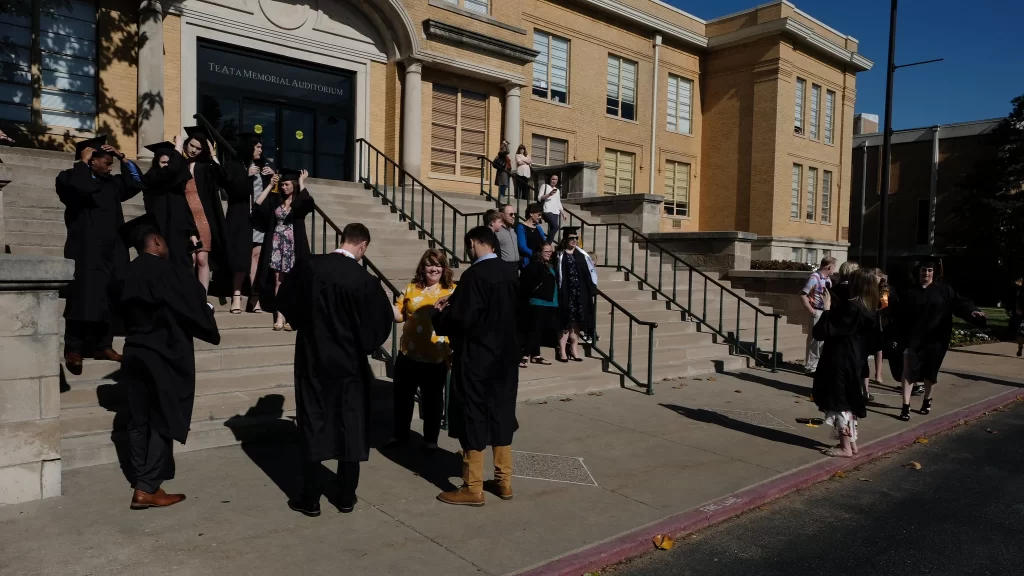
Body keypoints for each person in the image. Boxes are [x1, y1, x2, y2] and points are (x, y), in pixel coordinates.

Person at [276, 223, 394, 517]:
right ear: (363, 246)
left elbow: (287, 302)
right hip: (350, 365)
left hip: (313, 360)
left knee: (314, 422)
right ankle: (345, 497)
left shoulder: (310, 267)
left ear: (343, 239)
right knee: (350, 426)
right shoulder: (365, 282)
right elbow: (377, 328)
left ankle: (310, 499)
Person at [117, 214, 221, 509]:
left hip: (135, 351)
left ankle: (142, 479)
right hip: (163, 354)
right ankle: (147, 488)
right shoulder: (166, 271)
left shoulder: (126, 273)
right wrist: (208, 310)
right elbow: (192, 305)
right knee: (164, 417)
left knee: (138, 419)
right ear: (158, 241)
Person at [432, 226, 520, 506]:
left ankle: (473, 487)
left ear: (473, 242)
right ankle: (504, 481)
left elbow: (464, 320)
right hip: (506, 357)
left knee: (474, 415)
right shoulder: (509, 272)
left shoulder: (474, 275)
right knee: (502, 412)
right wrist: (456, 298)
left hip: (477, 358)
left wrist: (439, 317)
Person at [56, 136, 144, 376]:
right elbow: (81, 188)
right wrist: (82, 164)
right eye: (106, 162)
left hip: (112, 250)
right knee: (81, 298)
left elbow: (137, 182)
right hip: (84, 250)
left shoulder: (112, 183)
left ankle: (103, 346)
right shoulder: (68, 178)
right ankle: (73, 349)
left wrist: (122, 156)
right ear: (90, 160)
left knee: (109, 298)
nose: (110, 166)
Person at [889, 256, 986, 421]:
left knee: (930, 373)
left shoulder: (944, 290)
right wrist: (895, 336)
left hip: (937, 339)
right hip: (913, 339)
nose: (926, 273)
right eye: (923, 270)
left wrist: (972, 311)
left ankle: (927, 400)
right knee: (908, 372)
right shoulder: (908, 291)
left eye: (929, 270)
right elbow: (897, 314)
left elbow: (960, 304)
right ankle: (905, 406)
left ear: (934, 272)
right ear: (918, 271)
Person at [390, 249, 457, 450]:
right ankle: (400, 435)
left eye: (438, 264)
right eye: (429, 264)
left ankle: (430, 440)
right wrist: (385, 301)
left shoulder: (452, 291)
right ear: (423, 267)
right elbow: (399, 315)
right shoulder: (411, 288)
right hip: (408, 354)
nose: (433, 269)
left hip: (435, 357)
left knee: (432, 400)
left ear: (444, 268)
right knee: (402, 398)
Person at [812, 268, 879, 458]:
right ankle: (852, 443)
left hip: (840, 358)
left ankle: (845, 446)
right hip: (855, 359)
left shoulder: (851, 308)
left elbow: (822, 332)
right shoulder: (869, 308)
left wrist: (826, 308)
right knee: (849, 400)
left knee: (839, 401)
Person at [253, 168, 315, 331]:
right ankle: (279, 316)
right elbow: (258, 205)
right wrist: (269, 186)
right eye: (282, 185)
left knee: (293, 281)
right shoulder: (275, 201)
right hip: (277, 245)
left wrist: (302, 183)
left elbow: (309, 204)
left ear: (293, 184)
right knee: (278, 281)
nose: (284, 187)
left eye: (287, 184)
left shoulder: (298, 203)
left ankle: (292, 316)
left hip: (294, 245)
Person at [225, 134, 272, 314]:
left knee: (256, 257)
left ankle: (255, 297)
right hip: (240, 217)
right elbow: (231, 191)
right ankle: (236, 295)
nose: (261, 149)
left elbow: (272, 192)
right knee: (240, 256)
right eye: (257, 146)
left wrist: (272, 176)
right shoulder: (236, 166)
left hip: (259, 219)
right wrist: (246, 175)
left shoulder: (264, 167)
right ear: (249, 147)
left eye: (261, 147)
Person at [181, 126, 231, 294]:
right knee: (191, 259)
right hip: (185, 217)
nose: (193, 150)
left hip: (203, 218)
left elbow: (223, 179)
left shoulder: (205, 167)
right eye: (191, 145)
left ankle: (202, 298)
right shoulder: (178, 164)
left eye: (198, 148)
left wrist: (213, 154)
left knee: (202, 258)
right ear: (186, 144)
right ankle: (188, 296)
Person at [141, 138, 197, 270]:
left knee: (182, 263)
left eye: (169, 162)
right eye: (163, 162)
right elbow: (169, 173)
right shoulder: (152, 177)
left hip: (178, 229)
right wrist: (178, 147)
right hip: (160, 227)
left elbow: (184, 208)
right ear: (156, 162)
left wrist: (191, 232)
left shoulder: (176, 186)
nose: (167, 165)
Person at [555, 227, 597, 362]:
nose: (574, 240)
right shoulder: (559, 255)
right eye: (571, 238)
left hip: (580, 293)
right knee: (565, 322)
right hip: (566, 293)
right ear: (566, 239)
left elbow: (588, 273)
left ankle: (574, 349)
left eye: (576, 238)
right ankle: (562, 351)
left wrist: (591, 289)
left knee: (577, 322)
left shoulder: (581, 255)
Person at [519, 242, 558, 367]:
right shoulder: (533, 266)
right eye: (546, 251)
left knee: (539, 329)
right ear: (539, 253)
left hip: (549, 301)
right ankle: (524, 356)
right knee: (533, 329)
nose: (549, 253)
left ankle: (536, 355)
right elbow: (526, 284)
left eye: (550, 251)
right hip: (537, 301)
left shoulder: (549, 265)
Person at [800, 256, 837, 375]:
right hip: (817, 310)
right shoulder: (814, 278)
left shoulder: (827, 279)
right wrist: (812, 311)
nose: (834, 270)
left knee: (822, 341)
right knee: (815, 340)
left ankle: (817, 365)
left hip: (825, 310)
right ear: (829, 266)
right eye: (833, 267)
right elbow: (803, 295)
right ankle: (811, 367)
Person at [515, 202, 547, 269]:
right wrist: (534, 254)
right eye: (538, 215)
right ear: (531, 213)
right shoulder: (521, 227)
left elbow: (544, 242)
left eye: (541, 215)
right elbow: (522, 246)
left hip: (540, 260)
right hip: (529, 261)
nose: (540, 217)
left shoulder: (538, 227)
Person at [489, 204, 520, 268]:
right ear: (502, 214)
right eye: (511, 214)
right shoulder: (497, 231)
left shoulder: (513, 230)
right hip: (504, 266)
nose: (513, 216)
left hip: (516, 266)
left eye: (514, 214)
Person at [537, 173, 566, 239]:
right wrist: (549, 194)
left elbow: (558, 203)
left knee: (552, 229)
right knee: (556, 227)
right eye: (553, 179)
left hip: (555, 212)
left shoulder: (557, 190)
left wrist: (563, 213)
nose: (554, 181)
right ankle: (547, 243)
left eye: (556, 179)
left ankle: (547, 245)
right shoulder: (545, 186)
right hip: (547, 210)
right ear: (550, 179)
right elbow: (539, 198)